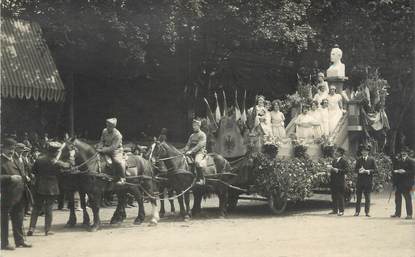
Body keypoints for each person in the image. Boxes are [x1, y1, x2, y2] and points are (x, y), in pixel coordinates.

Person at [27, 142, 71, 236]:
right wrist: (71, 158)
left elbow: (33, 171)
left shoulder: (39, 160)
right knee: (48, 209)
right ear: (55, 152)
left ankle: (31, 228)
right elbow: (68, 166)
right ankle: (47, 230)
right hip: (52, 187)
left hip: (39, 186)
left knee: (36, 208)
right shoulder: (57, 162)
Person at [1, 138, 32, 250]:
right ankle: (4, 243)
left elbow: (21, 173)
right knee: (4, 221)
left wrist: (25, 177)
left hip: (20, 194)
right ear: (3, 148)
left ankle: (20, 241)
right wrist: (9, 178)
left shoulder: (16, 160)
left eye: (13, 149)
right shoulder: (1, 161)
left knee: (18, 219)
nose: (11, 151)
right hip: (6, 196)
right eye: (9, 148)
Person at [97, 118, 126, 184]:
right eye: (107, 125)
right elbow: (102, 140)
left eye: (109, 126)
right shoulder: (104, 131)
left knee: (117, 161)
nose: (107, 127)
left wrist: (103, 150)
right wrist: (99, 147)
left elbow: (113, 147)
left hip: (116, 151)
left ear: (113, 126)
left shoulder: (118, 135)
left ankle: (122, 178)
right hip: (105, 148)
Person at [354, 145, 377, 217]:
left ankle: (367, 212)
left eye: (366, 151)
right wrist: (359, 171)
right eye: (363, 151)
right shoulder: (359, 159)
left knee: (367, 197)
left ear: (368, 152)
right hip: (360, 181)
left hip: (368, 181)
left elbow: (376, 170)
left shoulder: (372, 159)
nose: (364, 152)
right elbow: (355, 169)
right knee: (358, 197)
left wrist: (367, 171)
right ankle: (357, 211)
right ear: (361, 152)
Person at [391, 147, 414, 219]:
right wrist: (396, 171)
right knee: (397, 198)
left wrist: (405, 172)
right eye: (402, 152)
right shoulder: (399, 161)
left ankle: (409, 215)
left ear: (407, 153)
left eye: (405, 152)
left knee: (407, 198)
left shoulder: (411, 161)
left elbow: (413, 172)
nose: (403, 154)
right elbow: (396, 169)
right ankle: (397, 214)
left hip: (407, 183)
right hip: (399, 183)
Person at [183, 119, 207, 185]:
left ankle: (201, 179)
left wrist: (191, 151)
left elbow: (199, 145)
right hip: (191, 153)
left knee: (197, 162)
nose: (194, 127)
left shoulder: (202, 135)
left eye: (195, 125)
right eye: (193, 125)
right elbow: (188, 144)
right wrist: (184, 150)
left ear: (199, 126)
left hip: (200, 152)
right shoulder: (192, 135)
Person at [327, 147, 349, 216]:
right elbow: (332, 170)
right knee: (334, 196)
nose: (336, 153)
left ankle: (341, 211)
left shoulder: (344, 161)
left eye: (337, 152)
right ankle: (335, 210)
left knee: (340, 196)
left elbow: (346, 170)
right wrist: (329, 171)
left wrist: (337, 170)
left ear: (341, 153)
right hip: (333, 181)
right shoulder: (334, 161)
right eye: (336, 151)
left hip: (340, 181)